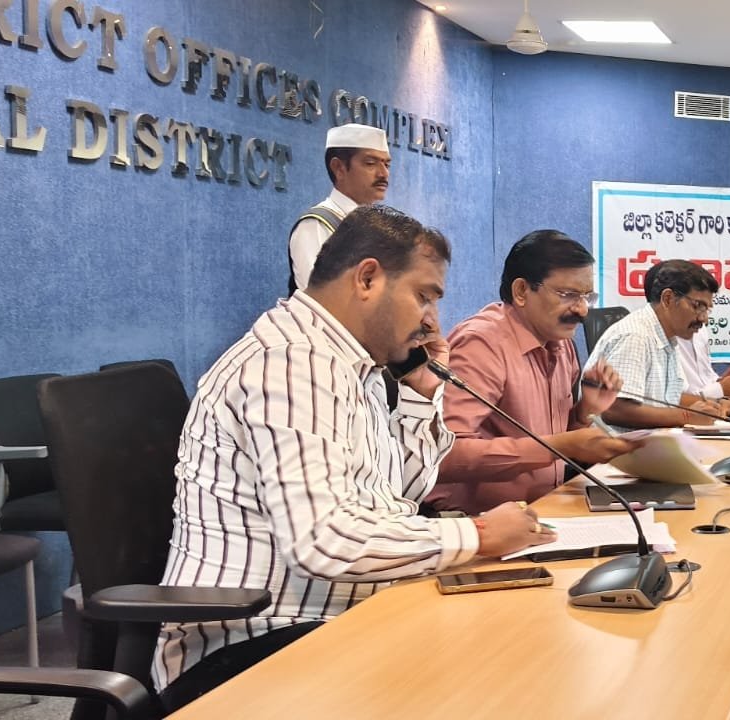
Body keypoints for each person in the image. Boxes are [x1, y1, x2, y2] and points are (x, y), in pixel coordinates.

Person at [155, 205, 556, 709]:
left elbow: (393, 495)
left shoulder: (348, 364)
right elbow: (324, 540)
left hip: (328, 620)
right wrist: (476, 534)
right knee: (492, 679)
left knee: (513, 649)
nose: (432, 321)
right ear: (368, 278)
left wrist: (419, 393)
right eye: (424, 296)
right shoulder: (291, 362)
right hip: (250, 648)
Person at [427, 230, 641, 513]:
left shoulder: (561, 344)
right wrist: (561, 446)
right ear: (521, 291)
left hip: (543, 508)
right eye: (568, 295)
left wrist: (583, 413)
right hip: (473, 520)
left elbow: (560, 445)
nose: (582, 310)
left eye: (587, 297)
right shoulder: (482, 344)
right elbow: (445, 454)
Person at [585, 259, 730, 428]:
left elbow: (669, 399)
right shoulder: (636, 336)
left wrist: (716, 405)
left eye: (707, 309)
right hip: (615, 443)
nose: (704, 319)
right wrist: (687, 416)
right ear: (668, 299)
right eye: (698, 306)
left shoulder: (667, 337)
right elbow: (614, 410)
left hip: (651, 440)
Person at [288, 123, 391, 293]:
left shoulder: (383, 228)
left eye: (387, 165)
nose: (383, 174)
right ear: (339, 168)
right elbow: (320, 297)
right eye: (371, 163)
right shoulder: (316, 226)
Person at [676, 324, 730, 400]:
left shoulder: (701, 329)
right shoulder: (670, 338)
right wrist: (721, 389)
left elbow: (706, 378)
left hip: (713, 405)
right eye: (699, 311)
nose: (705, 319)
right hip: (689, 409)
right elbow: (675, 398)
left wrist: (723, 382)